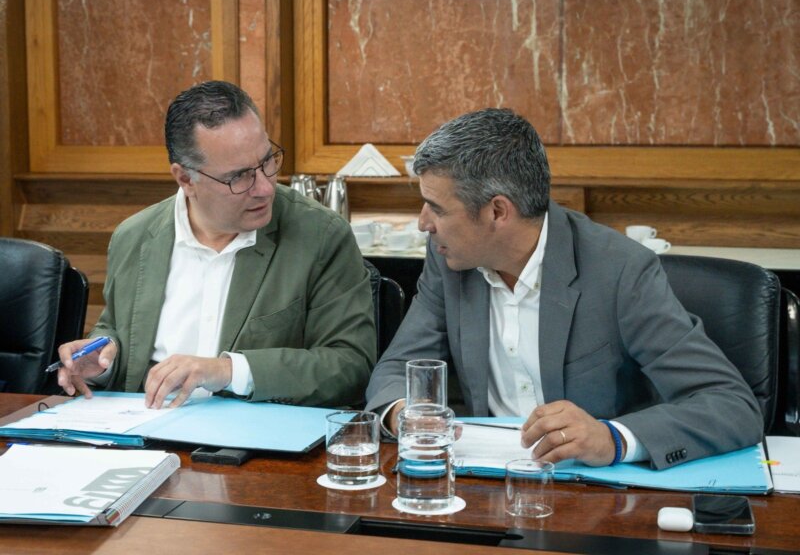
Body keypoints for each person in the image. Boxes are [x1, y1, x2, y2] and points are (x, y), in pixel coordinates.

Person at [365, 108, 762, 470]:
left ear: (497, 212)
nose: (422, 223)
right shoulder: (450, 261)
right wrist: (403, 412)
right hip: (477, 486)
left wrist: (613, 439)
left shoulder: (620, 271)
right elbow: (400, 367)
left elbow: (731, 405)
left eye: (436, 207)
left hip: (594, 498)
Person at [57, 81, 376, 409]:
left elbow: (350, 365)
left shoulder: (320, 235)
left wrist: (228, 370)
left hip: (254, 442)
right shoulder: (134, 237)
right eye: (239, 177)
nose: (265, 188)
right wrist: (99, 363)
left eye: (267, 162)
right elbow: (118, 337)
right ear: (185, 179)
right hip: (145, 431)